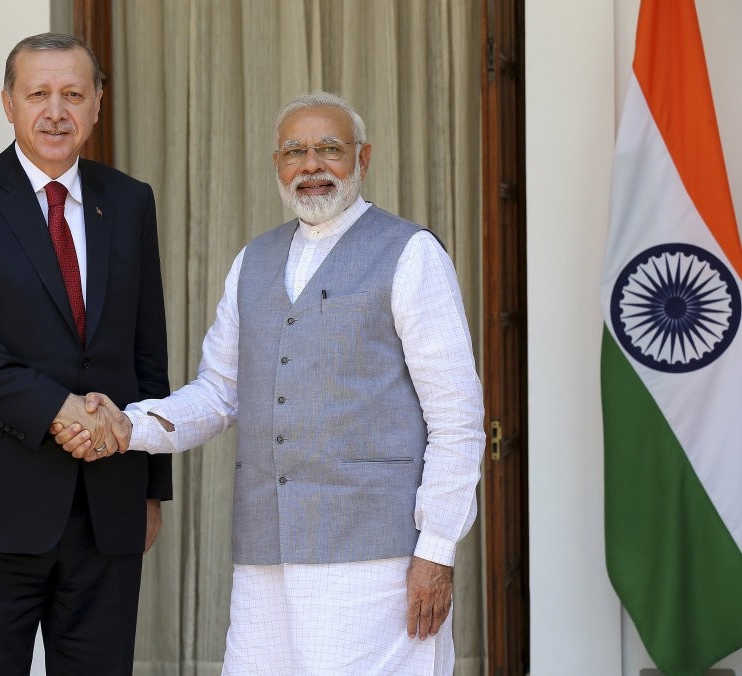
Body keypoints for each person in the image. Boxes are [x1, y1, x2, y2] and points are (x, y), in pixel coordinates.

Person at [55, 91, 485, 675]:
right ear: (276, 165)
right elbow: (218, 392)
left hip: (374, 558)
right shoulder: (252, 261)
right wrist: (128, 427)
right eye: (294, 152)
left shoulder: (411, 254)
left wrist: (436, 550)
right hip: (265, 557)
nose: (311, 165)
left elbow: (457, 417)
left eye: (329, 149)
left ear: (363, 158)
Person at [0, 32, 171, 676]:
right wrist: (56, 408)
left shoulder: (129, 200)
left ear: (98, 103)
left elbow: (147, 348)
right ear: (8, 103)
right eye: (38, 94)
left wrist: (151, 487)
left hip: (107, 506)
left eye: (73, 94)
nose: (56, 111)